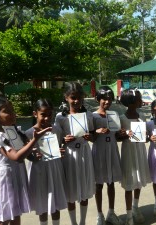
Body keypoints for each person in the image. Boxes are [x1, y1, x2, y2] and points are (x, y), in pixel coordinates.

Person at [0, 96, 51, 225]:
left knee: (16, 212)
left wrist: (34, 155)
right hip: (6, 178)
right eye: (7, 111)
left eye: (13, 110)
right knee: (5, 215)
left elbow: (25, 153)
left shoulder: (16, 132)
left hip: (18, 174)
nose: (13, 114)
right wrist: (34, 140)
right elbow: (16, 157)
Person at [55, 82, 95, 225]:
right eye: (73, 97)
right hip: (69, 155)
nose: (76, 101)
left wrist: (90, 137)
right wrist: (64, 140)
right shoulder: (60, 117)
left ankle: (83, 222)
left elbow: (92, 135)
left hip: (84, 153)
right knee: (71, 190)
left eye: (79, 97)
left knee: (84, 188)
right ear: (66, 97)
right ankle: (73, 222)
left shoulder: (88, 115)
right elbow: (57, 140)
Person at [25, 99, 67, 225]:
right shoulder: (28, 133)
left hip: (54, 169)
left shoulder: (56, 130)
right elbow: (26, 154)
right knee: (42, 203)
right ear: (35, 114)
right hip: (38, 171)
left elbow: (59, 147)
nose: (47, 118)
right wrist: (32, 155)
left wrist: (60, 151)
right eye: (43, 114)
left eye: (50, 115)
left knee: (55, 202)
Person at [119, 88, 151, 225]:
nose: (141, 101)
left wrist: (148, 137)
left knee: (138, 181)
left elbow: (145, 137)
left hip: (140, 151)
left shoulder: (142, 116)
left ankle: (135, 207)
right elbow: (118, 137)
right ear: (131, 102)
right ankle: (129, 215)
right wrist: (126, 134)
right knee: (129, 184)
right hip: (129, 153)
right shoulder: (122, 118)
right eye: (138, 99)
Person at [92, 86, 123, 225]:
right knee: (99, 184)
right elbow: (90, 137)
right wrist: (96, 132)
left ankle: (111, 212)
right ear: (97, 99)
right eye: (104, 99)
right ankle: (100, 214)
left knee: (111, 183)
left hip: (112, 149)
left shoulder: (114, 115)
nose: (107, 102)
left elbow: (117, 136)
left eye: (110, 99)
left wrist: (121, 134)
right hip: (99, 151)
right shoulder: (93, 116)